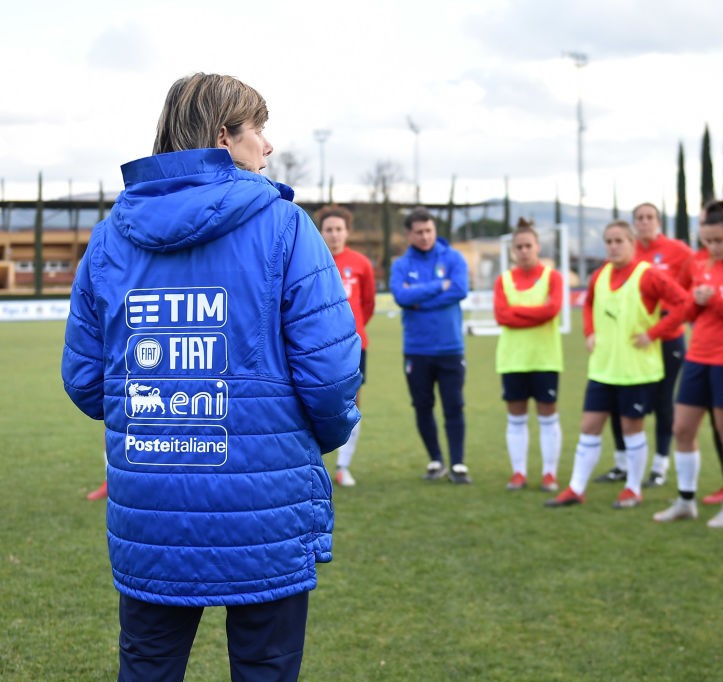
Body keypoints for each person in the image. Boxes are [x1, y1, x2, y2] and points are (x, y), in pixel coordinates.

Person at [60, 73, 362, 682]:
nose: (268, 147)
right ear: (225, 137)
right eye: (259, 129)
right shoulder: (285, 226)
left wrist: (156, 412)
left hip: (151, 501)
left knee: (147, 668)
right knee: (265, 668)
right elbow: (330, 375)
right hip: (264, 504)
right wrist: (317, 439)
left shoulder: (111, 236)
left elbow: (86, 379)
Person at [545, 221, 690, 509]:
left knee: (631, 428)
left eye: (618, 241)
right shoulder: (600, 275)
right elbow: (588, 305)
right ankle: (575, 488)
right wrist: (589, 332)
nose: (613, 246)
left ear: (631, 243)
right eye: (608, 241)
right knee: (589, 426)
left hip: (636, 371)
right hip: (603, 368)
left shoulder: (648, 275)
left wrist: (654, 333)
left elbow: (684, 303)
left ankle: (633, 489)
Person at [653, 201, 723, 528]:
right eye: (706, 241)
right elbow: (690, 311)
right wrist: (689, 305)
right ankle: (685, 500)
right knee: (682, 429)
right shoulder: (702, 265)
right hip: (697, 356)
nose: (711, 247)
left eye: (718, 240)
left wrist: (713, 301)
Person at [593, 203, 692, 488]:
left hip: (665, 335)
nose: (645, 222)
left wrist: (660, 328)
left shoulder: (678, 251)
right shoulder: (626, 252)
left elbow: (686, 293)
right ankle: (622, 463)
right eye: (639, 218)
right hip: (629, 339)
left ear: (659, 221)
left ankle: (660, 464)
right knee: (616, 397)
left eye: (650, 217)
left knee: (663, 402)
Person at [390, 206, 471, 484]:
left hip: (450, 348)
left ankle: (458, 464)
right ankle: (436, 460)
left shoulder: (454, 258)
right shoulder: (401, 264)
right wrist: (439, 286)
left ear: (435, 230)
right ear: (409, 235)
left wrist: (419, 301)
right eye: (419, 232)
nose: (425, 236)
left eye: (429, 230)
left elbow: (460, 289)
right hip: (416, 349)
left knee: (454, 406)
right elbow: (400, 296)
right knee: (422, 406)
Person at [493, 218, 564, 492]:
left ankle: (549, 473)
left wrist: (517, 314)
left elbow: (552, 310)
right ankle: (519, 472)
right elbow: (502, 316)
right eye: (519, 247)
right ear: (513, 250)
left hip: (545, 358)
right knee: (516, 418)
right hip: (513, 360)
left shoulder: (552, 277)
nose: (524, 251)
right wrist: (536, 313)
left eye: (528, 246)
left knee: (548, 417)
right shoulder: (504, 280)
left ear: (538, 247)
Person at [318, 204, 376, 488]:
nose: (334, 234)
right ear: (321, 232)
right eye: (328, 229)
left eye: (339, 229)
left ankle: (343, 466)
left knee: (352, 403)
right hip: (316, 347)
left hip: (354, 345)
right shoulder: (311, 259)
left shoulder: (362, 264)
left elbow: (367, 305)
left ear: (347, 232)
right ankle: (314, 465)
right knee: (313, 400)